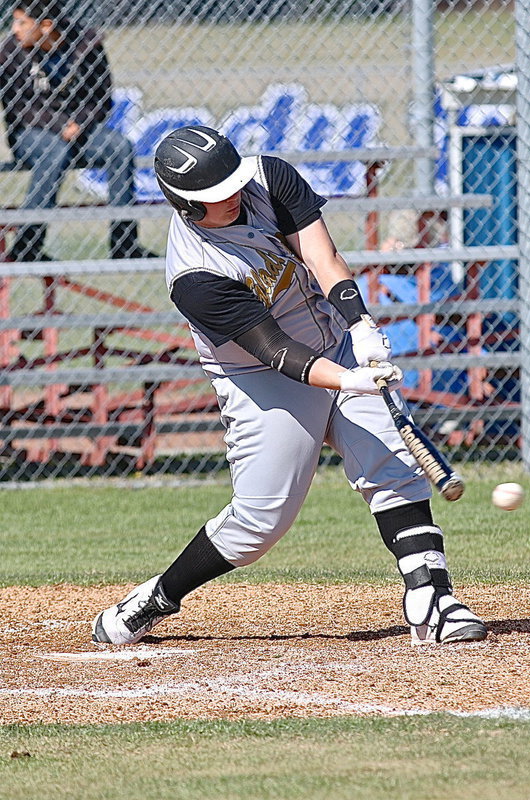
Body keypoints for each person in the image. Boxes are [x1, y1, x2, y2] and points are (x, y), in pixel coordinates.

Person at [91, 125, 487, 647]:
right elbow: (276, 350)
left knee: (393, 463)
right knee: (260, 521)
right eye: (213, 198)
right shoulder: (195, 275)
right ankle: (159, 596)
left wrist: (361, 327)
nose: (230, 198)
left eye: (230, 184)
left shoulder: (269, 177)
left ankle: (433, 600)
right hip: (262, 377)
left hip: (333, 337)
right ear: (185, 206)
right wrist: (349, 380)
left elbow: (323, 259)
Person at [0, 0, 155, 261]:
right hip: (30, 132)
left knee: (120, 147)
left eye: (22, 22)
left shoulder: (86, 46)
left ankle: (124, 245)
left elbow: (102, 97)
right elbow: (17, 108)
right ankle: (27, 248)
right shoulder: (9, 53)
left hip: (79, 131)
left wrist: (79, 123)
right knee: (53, 151)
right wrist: (60, 125)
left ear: (46, 26)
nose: (14, 29)